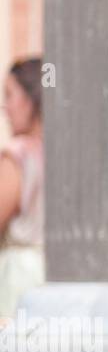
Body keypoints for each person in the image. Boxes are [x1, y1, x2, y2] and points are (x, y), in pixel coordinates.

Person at [0, 57, 44, 323]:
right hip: (52, 278)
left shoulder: (17, 156)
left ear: (30, 101)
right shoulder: (68, 156)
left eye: (9, 95)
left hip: (18, 280)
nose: (5, 107)